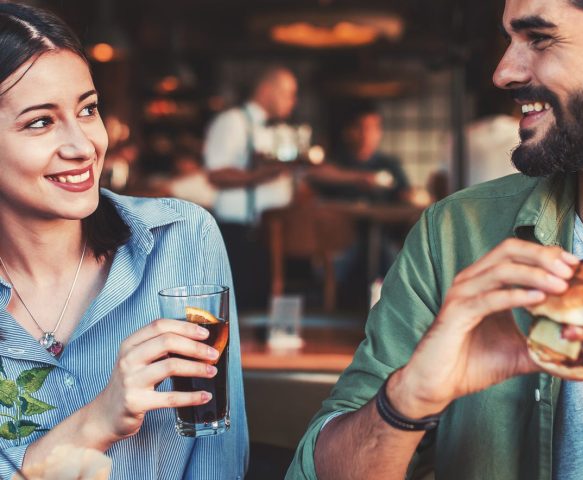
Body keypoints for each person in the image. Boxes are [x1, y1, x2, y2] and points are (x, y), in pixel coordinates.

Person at [288, 0, 583, 478]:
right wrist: (407, 401)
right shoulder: (454, 237)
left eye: (540, 38)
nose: (503, 73)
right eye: (510, 41)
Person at [0, 4, 247, 479]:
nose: (83, 145)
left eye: (87, 109)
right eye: (40, 122)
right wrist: (97, 420)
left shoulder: (181, 241)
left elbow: (219, 458)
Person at [203, 66, 297, 311]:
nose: (292, 101)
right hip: (240, 230)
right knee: (241, 307)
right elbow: (216, 174)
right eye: (287, 93)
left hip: (273, 230)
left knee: (267, 305)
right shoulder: (232, 122)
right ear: (266, 91)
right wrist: (261, 176)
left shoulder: (276, 129)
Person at [307, 101, 411, 204]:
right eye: (361, 127)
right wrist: (360, 178)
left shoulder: (390, 164)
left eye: (373, 128)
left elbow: (405, 193)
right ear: (347, 131)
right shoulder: (337, 161)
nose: (366, 135)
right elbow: (314, 176)